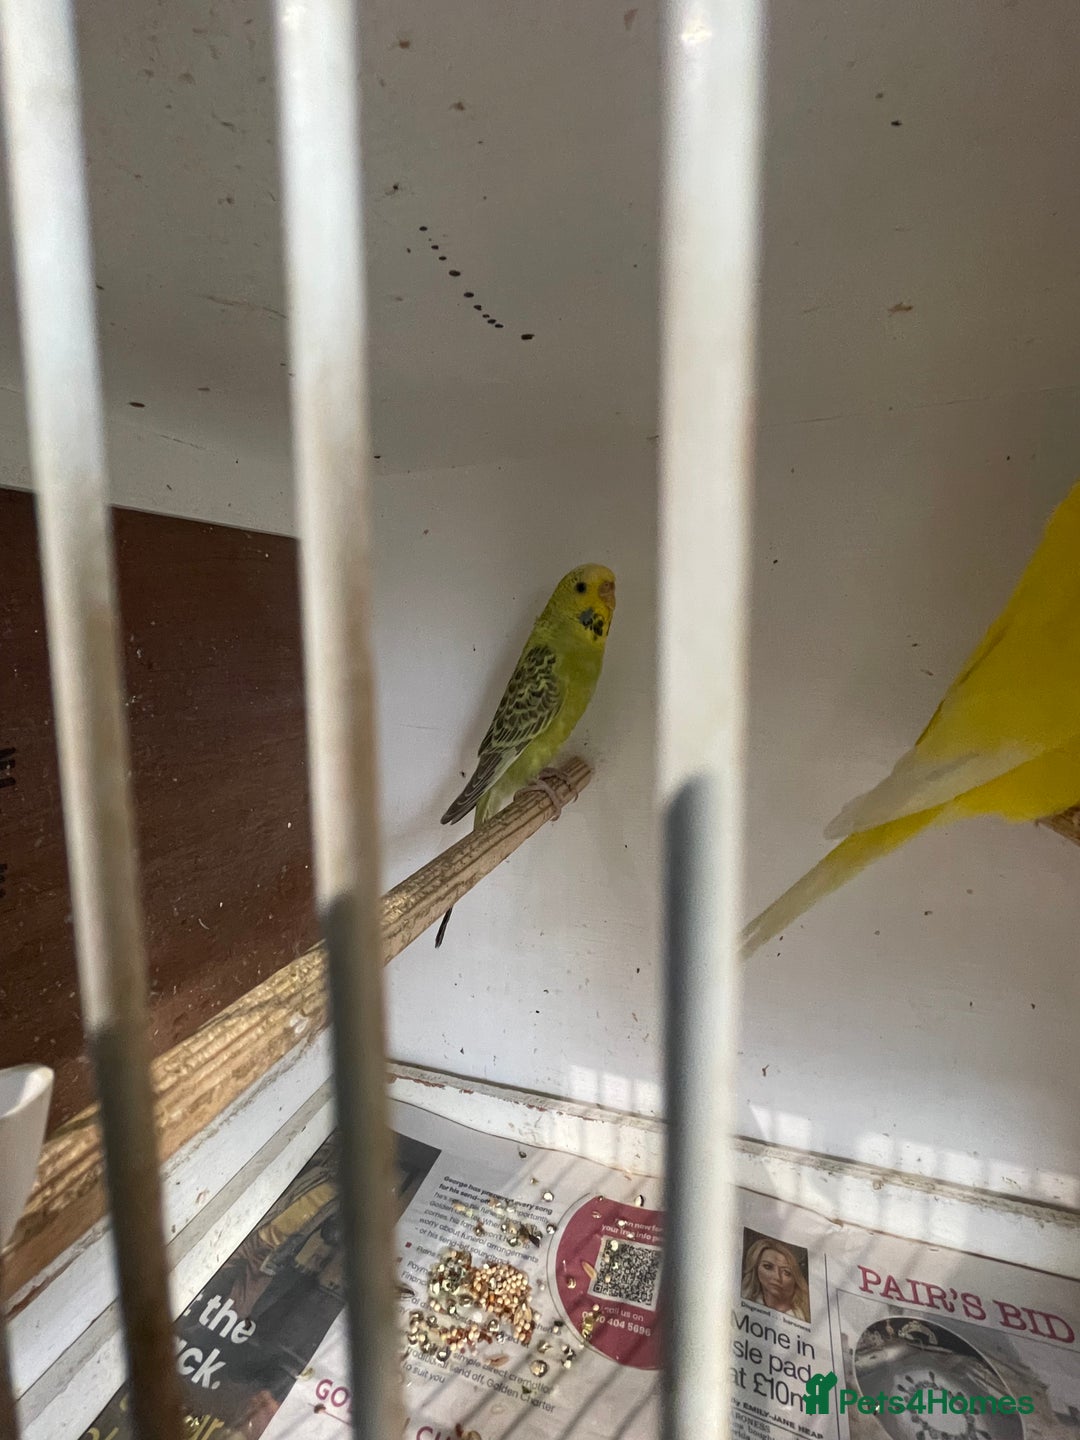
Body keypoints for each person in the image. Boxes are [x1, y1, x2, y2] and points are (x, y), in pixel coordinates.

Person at [741, 1236, 811, 1321]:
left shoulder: (804, 1316)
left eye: (786, 1272)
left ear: (795, 1280)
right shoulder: (745, 1300)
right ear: (756, 1268)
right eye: (768, 1267)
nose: (777, 1277)